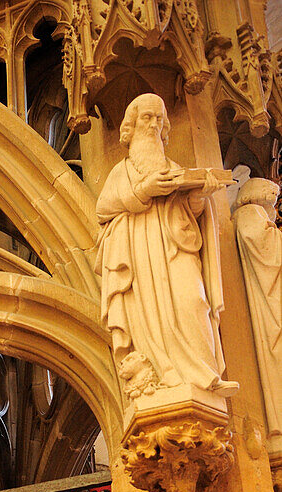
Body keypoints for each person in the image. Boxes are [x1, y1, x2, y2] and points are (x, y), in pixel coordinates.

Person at [95, 93, 238, 399]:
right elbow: (104, 209)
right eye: (146, 117)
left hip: (175, 248)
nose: (153, 125)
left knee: (193, 301)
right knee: (149, 316)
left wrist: (200, 196)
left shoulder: (174, 167)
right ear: (131, 126)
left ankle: (204, 375)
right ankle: (162, 376)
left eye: (159, 119)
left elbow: (190, 214)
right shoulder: (122, 171)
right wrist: (143, 191)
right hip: (139, 255)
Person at [233, 177, 282, 439]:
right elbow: (260, 243)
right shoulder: (250, 214)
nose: (274, 206)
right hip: (269, 301)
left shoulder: (258, 216)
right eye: (272, 198)